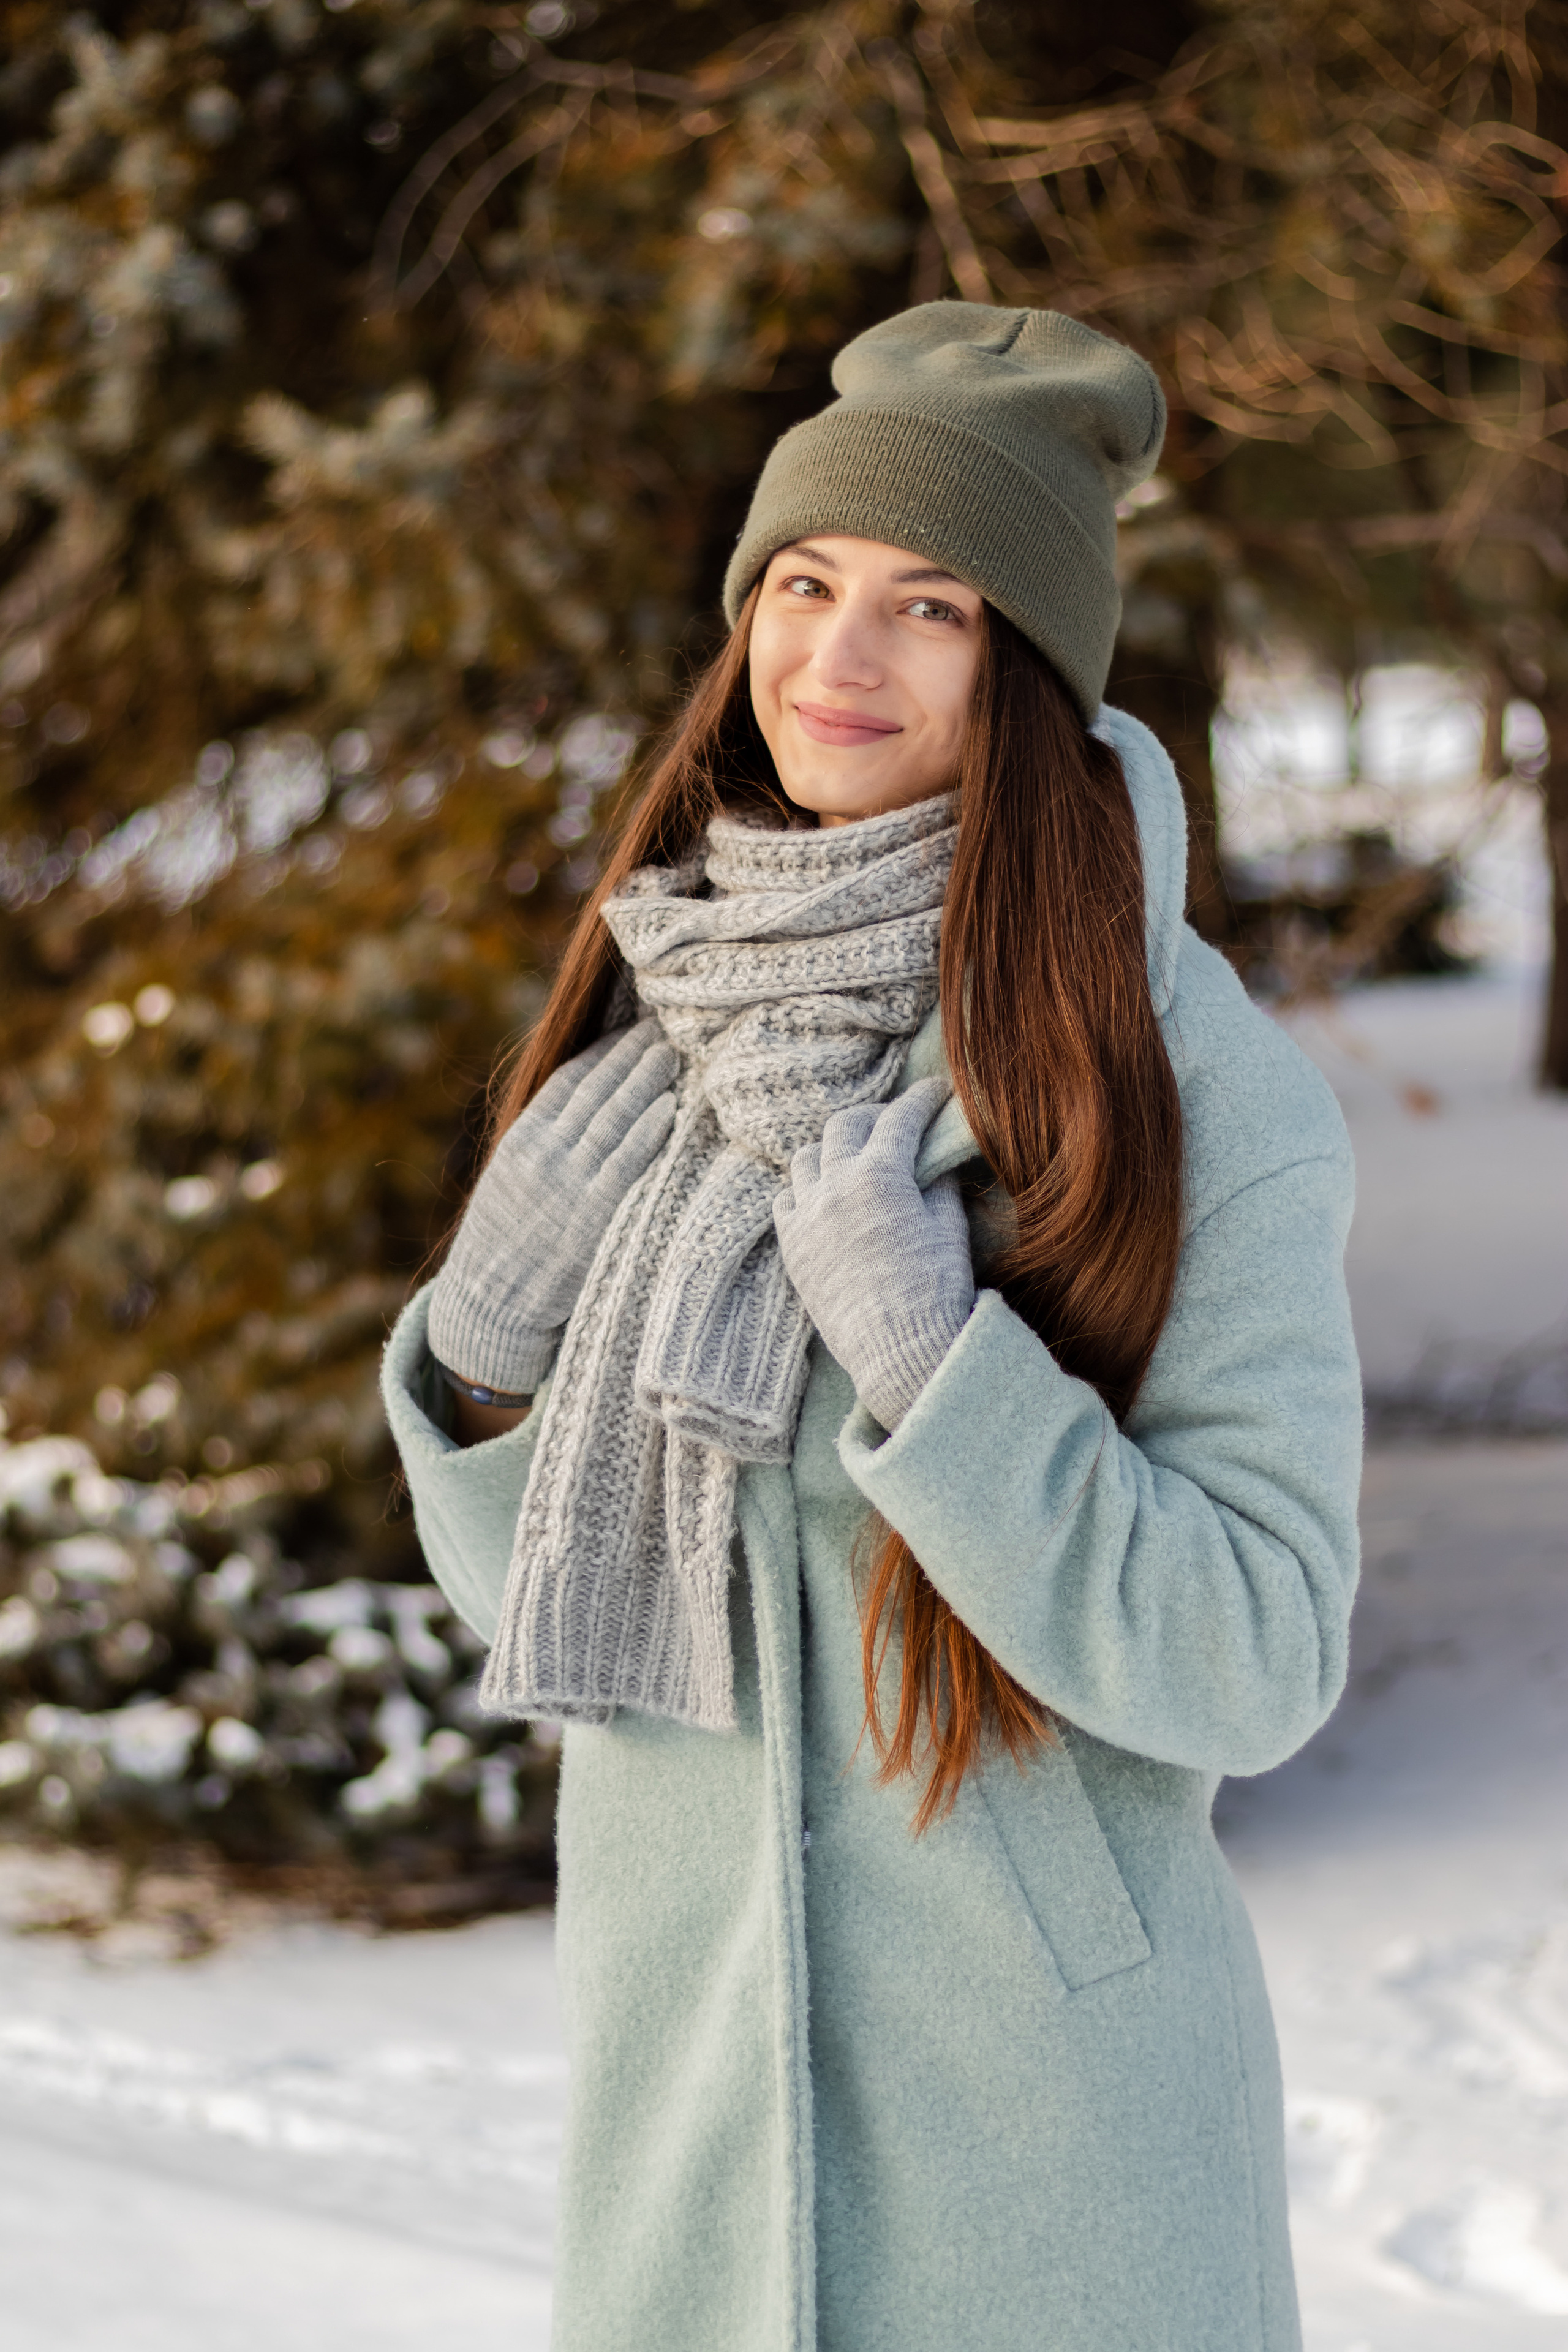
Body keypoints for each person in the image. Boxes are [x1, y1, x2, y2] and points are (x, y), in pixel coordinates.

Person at [382, 301, 1362, 2352]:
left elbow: (1257, 1655)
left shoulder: (1186, 1087)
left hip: (1057, 2193)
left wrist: (945, 1371)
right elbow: (590, 1625)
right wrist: (482, 1361)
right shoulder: (677, 1000)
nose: (839, 659)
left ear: (1028, 668)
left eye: (933, 606)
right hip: (694, 2152)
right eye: (804, 586)